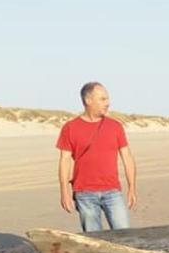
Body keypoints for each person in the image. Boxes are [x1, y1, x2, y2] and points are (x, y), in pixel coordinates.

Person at [57, 82, 137, 232]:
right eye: (103, 99)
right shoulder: (70, 128)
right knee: (94, 239)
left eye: (107, 99)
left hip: (112, 191)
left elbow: (127, 157)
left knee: (124, 235)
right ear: (88, 100)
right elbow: (65, 161)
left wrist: (132, 187)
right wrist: (64, 192)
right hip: (84, 193)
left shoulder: (115, 126)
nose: (108, 103)